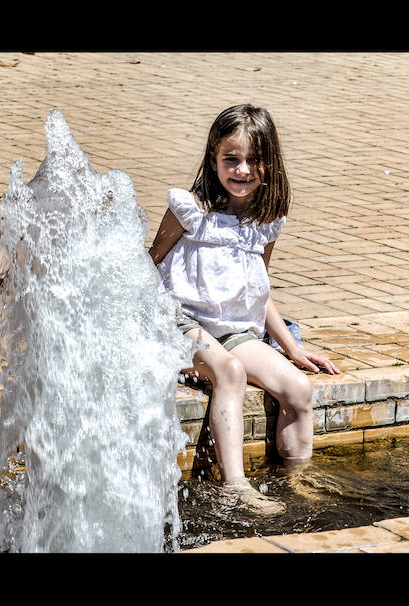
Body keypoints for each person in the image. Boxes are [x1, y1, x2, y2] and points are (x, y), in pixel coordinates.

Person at [148, 104, 340, 515]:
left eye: (254, 160)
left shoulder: (265, 220)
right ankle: (234, 486)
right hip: (178, 321)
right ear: (213, 159)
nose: (242, 170)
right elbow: (150, 265)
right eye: (231, 159)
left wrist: (291, 347)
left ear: (270, 164)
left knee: (298, 390)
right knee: (229, 372)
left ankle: (293, 484)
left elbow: (260, 290)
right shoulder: (190, 211)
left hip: (233, 329)